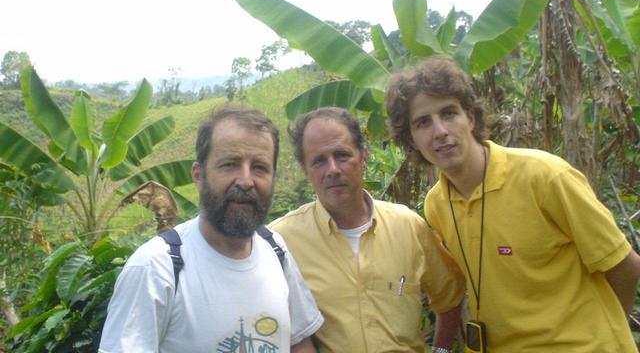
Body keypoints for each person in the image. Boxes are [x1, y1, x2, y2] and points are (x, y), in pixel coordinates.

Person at [385, 54, 640, 352]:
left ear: (471, 116)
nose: (440, 131)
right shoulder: (437, 205)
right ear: (412, 139)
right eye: (423, 122)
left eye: (449, 113)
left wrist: (600, 336)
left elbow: (624, 265)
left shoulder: (544, 176)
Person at [99, 104, 323, 353]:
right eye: (230, 164)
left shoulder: (276, 250)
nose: (246, 181)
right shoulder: (155, 268)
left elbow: (299, 342)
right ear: (199, 175)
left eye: (259, 167)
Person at [270, 107, 465, 353]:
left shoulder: (408, 226)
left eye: (342, 155)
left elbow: (450, 296)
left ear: (363, 157)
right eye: (319, 161)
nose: (332, 169)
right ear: (305, 170)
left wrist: (442, 351)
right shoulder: (282, 242)